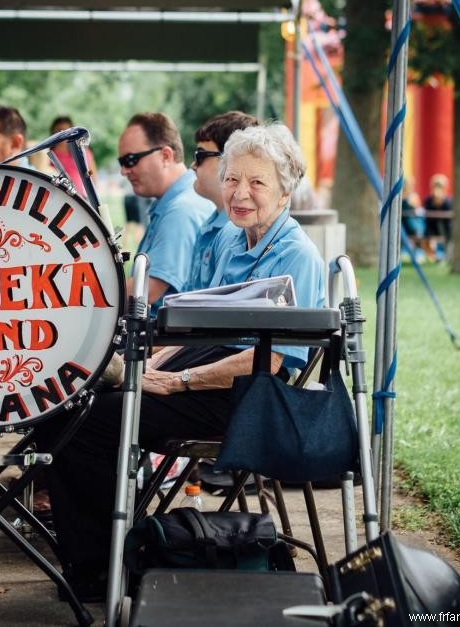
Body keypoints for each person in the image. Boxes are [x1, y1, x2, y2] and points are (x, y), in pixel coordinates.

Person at [40, 123, 326, 601]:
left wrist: (178, 382)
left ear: (285, 189)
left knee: (93, 422)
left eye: (257, 183)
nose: (239, 193)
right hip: (207, 371)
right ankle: (98, 556)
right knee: (67, 403)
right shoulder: (235, 241)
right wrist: (147, 368)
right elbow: (194, 326)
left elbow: (272, 361)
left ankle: (107, 567)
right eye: (233, 178)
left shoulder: (296, 253)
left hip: (249, 396)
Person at [118, 112, 214, 310]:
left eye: (131, 160)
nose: (124, 171)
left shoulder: (180, 211)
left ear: (166, 155)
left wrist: (84, 292)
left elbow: (146, 291)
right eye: (122, 162)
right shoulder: (178, 202)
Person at [183, 110, 258, 291]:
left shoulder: (242, 232)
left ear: (229, 160)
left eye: (200, 156)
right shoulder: (211, 224)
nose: (192, 165)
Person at [49, 114, 97, 196]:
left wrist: (89, 180)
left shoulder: (82, 151)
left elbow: (92, 173)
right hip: (57, 196)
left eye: (65, 131)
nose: (62, 134)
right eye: (59, 131)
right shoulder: (49, 154)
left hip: (82, 197)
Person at [422, 173, 453, 261]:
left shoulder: (448, 201)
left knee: (448, 234)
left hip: (445, 228)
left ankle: (446, 256)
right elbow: (427, 215)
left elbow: (449, 215)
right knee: (427, 237)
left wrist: (442, 203)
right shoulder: (428, 200)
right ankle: (432, 256)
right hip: (431, 228)